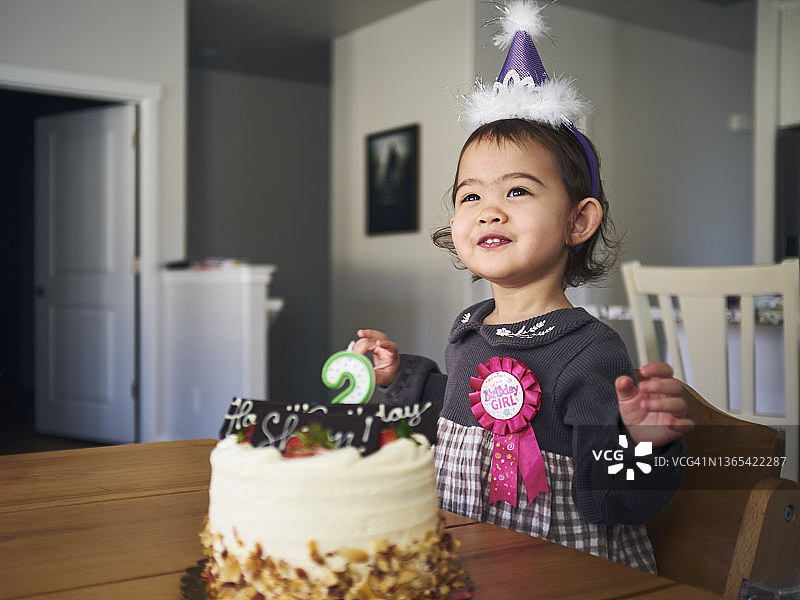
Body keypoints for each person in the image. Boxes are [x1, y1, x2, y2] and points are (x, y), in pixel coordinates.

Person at [354, 1, 694, 573]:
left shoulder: (590, 350)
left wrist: (642, 443)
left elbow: (614, 502)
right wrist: (397, 376)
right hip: (471, 561)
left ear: (578, 222)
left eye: (516, 191)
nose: (488, 210)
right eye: (470, 195)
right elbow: (450, 410)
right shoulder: (469, 330)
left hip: (560, 573)